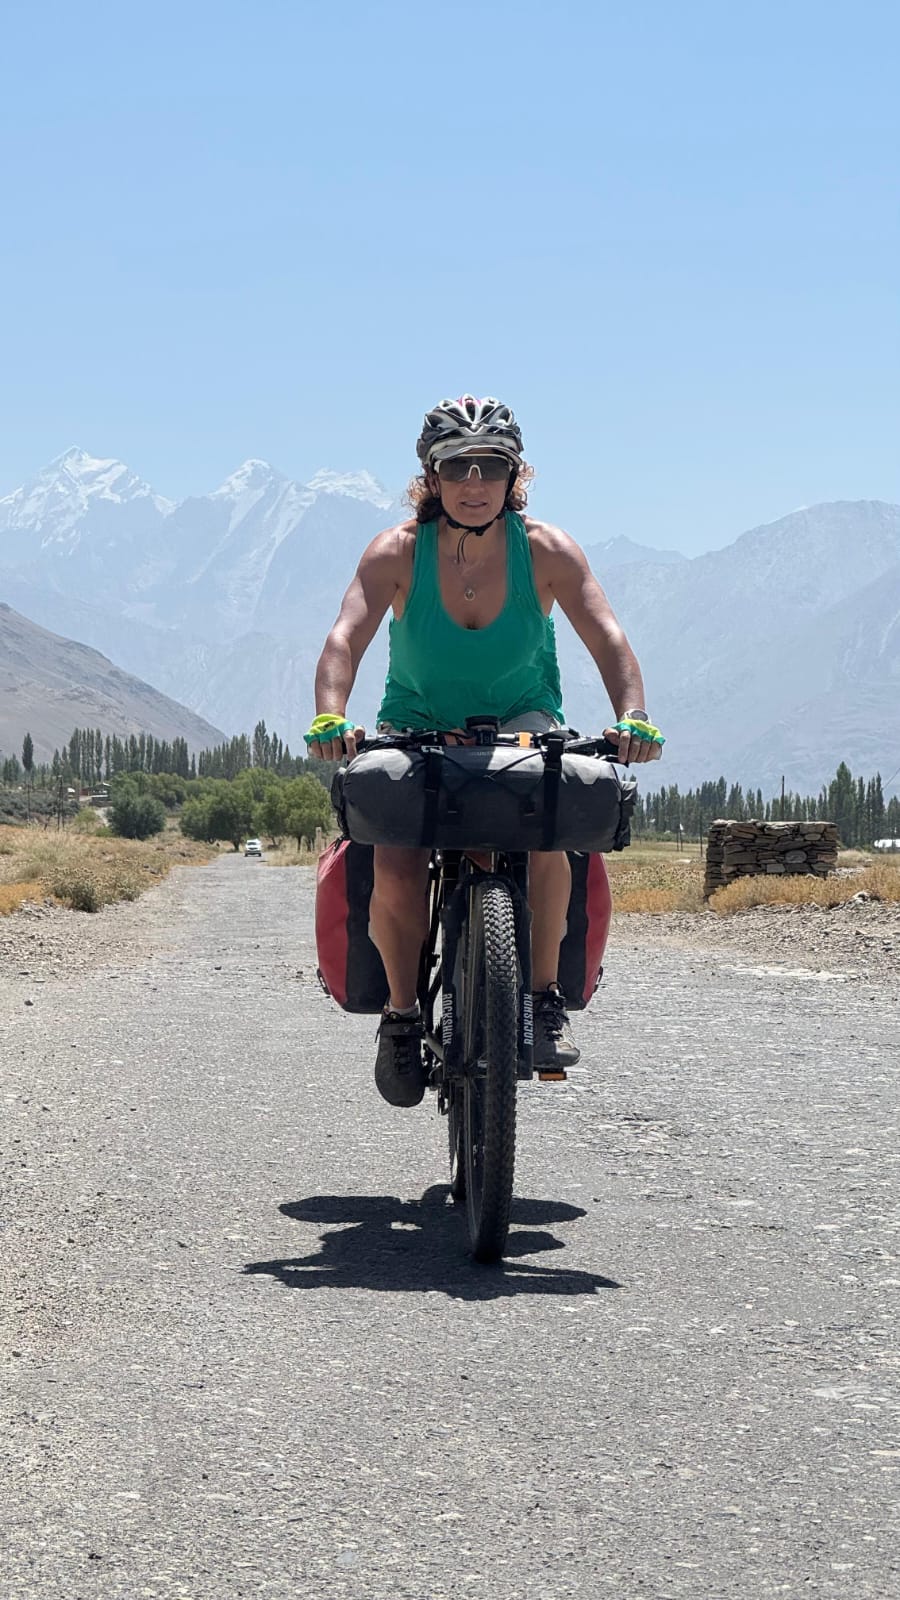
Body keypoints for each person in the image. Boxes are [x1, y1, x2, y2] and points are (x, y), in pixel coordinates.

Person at [307, 396, 663, 1107]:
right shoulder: (397, 552)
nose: (475, 482)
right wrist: (330, 717)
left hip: (524, 720)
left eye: (490, 467)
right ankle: (403, 1017)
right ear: (431, 477)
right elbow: (345, 637)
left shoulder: (547, 552)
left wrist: (635, 717)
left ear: (514, 476)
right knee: (398, 860)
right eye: (457, 467)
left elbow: (608, 638)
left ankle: (541, 1000)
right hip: (415, 722)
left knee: (549, 837)